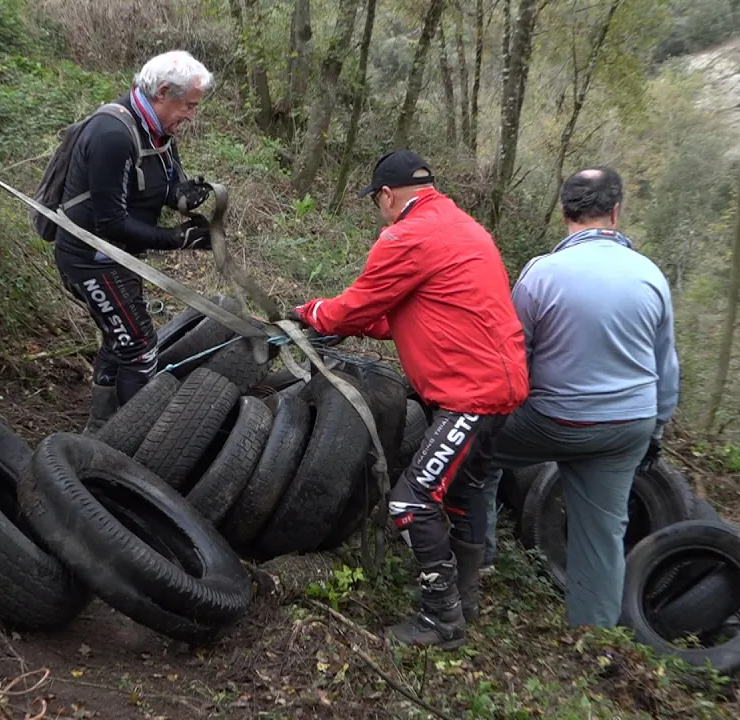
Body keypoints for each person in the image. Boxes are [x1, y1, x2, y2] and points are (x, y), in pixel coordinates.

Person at [291, 150, 529, 649]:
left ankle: (442, 619)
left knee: (410, 500)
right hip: (501, 385)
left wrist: (312, 312)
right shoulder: (462, 226)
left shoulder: (406, 235)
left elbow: (355, 307)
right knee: (463, 496)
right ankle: (465, 601)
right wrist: (352, 322)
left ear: (386, 195)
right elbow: (413, 310)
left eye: (375, 202)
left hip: (472, 394)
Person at [478, 166, 680, 628]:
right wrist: (657, 429)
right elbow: (665, 366)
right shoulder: (651, 276)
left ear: (565, 213)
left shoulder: (541, 274)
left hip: (551, 419)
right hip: (628, 425)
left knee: (479, 451)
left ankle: (480, 557)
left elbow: (512, 360)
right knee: (603, 532)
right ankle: (593, 639)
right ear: (615, 211)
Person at [54, 50, 217, 432]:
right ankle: (135, 438)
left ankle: (101, 426)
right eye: (189, 106)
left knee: (122, 338)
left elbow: (155, 187)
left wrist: (182, 196)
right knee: (140, 347)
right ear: (163, 91)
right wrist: (177, 239)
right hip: (90, 258)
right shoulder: (112, 134)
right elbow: (111, 222)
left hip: (119, 257)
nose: (192, 115)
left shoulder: (159, 131)